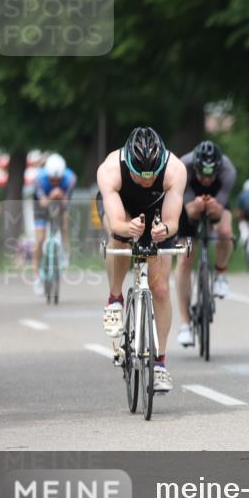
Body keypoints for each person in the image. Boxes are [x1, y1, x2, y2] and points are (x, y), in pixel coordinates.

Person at [96, 127, 186, 393]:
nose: (147, 181)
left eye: (152, 175)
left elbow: (172, 222)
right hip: (122, 211)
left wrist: (164, 230)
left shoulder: (175, 169)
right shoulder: (110, 169)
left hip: (157, 212)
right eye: (140, 175)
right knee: (119, 238)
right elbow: (117, 223)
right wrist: (128, 228)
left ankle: (160, 364)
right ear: (129, 165)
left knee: (161, 288)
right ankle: (115, 299)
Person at [174, 140, 237, 347]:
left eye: (211, 175)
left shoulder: (228, 171)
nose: (207, 180)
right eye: (202, 175)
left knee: (225, 232)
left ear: (218, 169)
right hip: (188, 203)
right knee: (185, 259)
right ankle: (185, 323)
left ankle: (220, 274)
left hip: (217, 201)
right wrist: (195, 206)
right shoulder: (182, 168)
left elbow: (219, 212)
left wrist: (214, 209)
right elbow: (190, 212)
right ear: (196, 168)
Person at [31, 154, 77, 295]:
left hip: (61, 200)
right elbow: (43, 203)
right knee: (40, 238)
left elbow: (66, 203)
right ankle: (36, 276)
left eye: (59, 180)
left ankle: (65, 252)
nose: (56, 183)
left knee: (65, 224)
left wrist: (60, 196)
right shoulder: (39, 179)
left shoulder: (70, 178)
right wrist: (52, 196)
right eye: (52, 180)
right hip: (42, 202)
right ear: (47, 175)